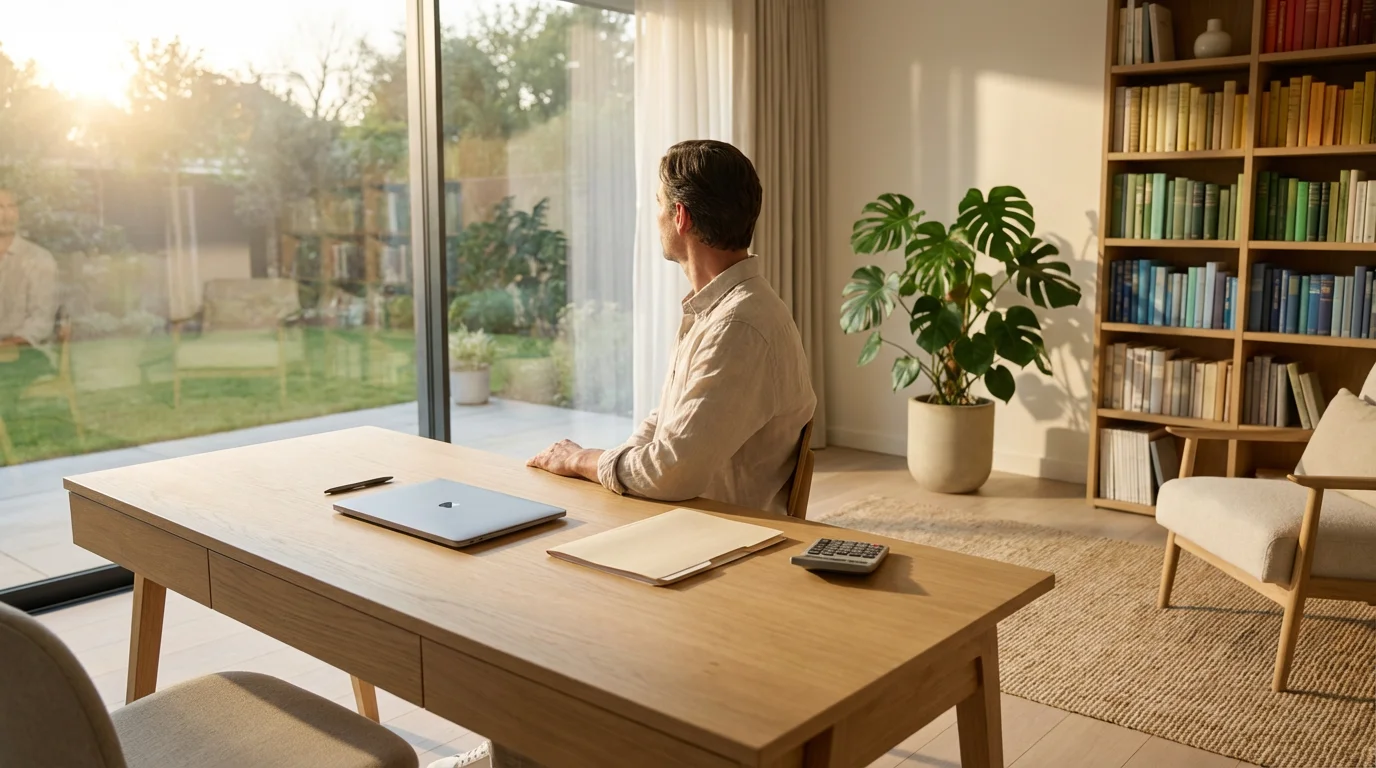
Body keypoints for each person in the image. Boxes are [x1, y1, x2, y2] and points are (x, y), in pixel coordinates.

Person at [430, 142, 816, 768]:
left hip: (716, 547)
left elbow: (669, 470)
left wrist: (585, 461)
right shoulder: (716, 311)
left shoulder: (741, 326)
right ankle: (520, 746)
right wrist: (595, 459)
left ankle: (525, 749)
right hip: (688, 522)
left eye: (658, 206)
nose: (656, 218)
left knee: (533, 597)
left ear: (682, 218)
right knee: (531, 562)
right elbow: (662, 428)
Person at [0, 184, 59, 443]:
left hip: (28, 352)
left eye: (11, 206)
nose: (5, 213)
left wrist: (6, 346)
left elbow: (41, 323)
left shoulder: (38, 259)